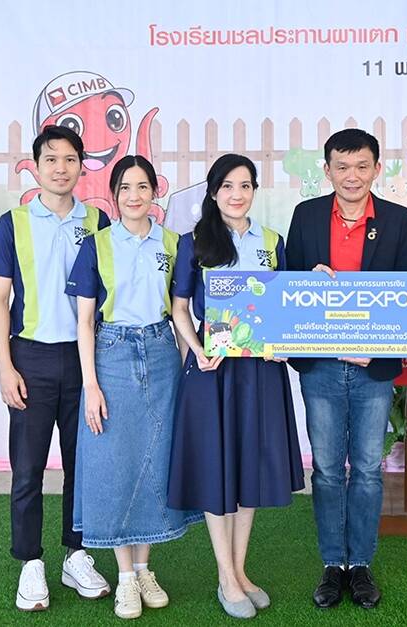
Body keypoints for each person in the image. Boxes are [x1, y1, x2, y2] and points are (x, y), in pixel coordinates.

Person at [166, 154, 305, 620]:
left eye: (245, 185)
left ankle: (241, 571)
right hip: (214, 371)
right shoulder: (194, 242)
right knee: (217, 467)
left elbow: (285, 303)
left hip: (261, 372)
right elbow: (179, 307)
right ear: (213, 192)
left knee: (248, 469)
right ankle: (225, 577)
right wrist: (197, 348)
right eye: (227, 185)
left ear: (255, 191)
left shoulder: (272, 242)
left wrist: (282, 342)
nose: (237, 194)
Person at [285, 128, 407, 610]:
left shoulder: (398, 220)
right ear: (327, 171)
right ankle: (332, 564)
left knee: (365, 469)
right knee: (325, 469)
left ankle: (360, 563)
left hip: (372, 367)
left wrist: (378, 348)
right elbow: (287, 288)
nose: (352, 176)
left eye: (362, 166)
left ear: (377, 169)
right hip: (320, 365)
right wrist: (306, 279)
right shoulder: (306, 216)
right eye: (342, 167)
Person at [0, 125, 111, 611]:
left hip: (84, 361)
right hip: (30, 359)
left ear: (81, 166)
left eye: (70, 159)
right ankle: (30, 562)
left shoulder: (98, 220)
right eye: (51, 159)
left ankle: (76, 555)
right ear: (35, 167)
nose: (61, 168)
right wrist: (5, 367)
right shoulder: (11, 223)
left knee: (83, 465)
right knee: (28, 468)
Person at [65, 156, 202, 619]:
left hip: (162, 353)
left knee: (155, 458)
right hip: (112, 354)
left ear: (154, 192)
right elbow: (85, 321)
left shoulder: (174, 244)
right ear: (114, 194)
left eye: (143, 187)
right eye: (125, 187)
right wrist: (91, 385)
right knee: (116, 461)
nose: (134, 196)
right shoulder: (97, 245)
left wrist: (185, 365)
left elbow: (179, 312)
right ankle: (124, 576)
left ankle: (144, 568)